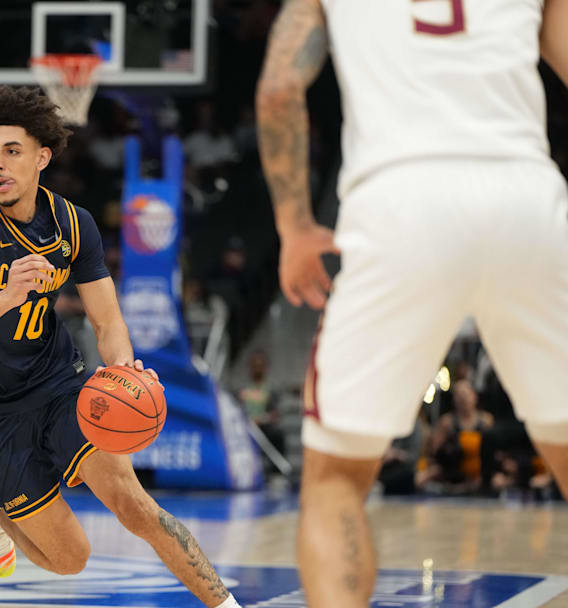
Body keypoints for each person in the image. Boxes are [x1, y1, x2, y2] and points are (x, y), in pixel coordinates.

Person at [256, 0, 568, 605]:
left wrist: (294, 227)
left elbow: (278, 90)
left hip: (400, 200)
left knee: (336, 480)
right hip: (526, 198)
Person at [0, 86, 240, 608]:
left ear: (42, 157)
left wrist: (124, 369)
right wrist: (7, 296)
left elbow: (107, 319)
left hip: (55, 386)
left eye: (12, 151)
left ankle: (227, 605)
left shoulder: (73, 223)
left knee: (136, 506)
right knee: (70, 558)